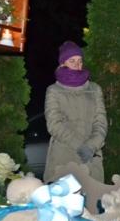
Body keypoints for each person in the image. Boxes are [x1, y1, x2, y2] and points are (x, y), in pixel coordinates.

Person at [44, 41, 108, 182]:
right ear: (63, 63)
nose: (77, 65)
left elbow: (101, 121)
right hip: (64, 157)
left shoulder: (94, 89)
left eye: (80, 60)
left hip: (91, 156)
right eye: (72, 61)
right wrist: (80, 146)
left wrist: (92, 146)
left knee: (92, 194)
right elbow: (54, 124)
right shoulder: (54, 90)